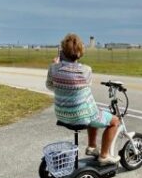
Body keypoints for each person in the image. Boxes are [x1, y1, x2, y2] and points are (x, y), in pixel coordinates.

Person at [46, 33, 120, 165]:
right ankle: (104, 156)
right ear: (80, 53)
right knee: (114, 121)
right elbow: (85, 85)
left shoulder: (54, 68)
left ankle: (92, 147)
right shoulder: (86, 70)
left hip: (62, 114)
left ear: (62, 51)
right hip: (80, 117)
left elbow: (50, 86)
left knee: (95, 113)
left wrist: (57, 65)